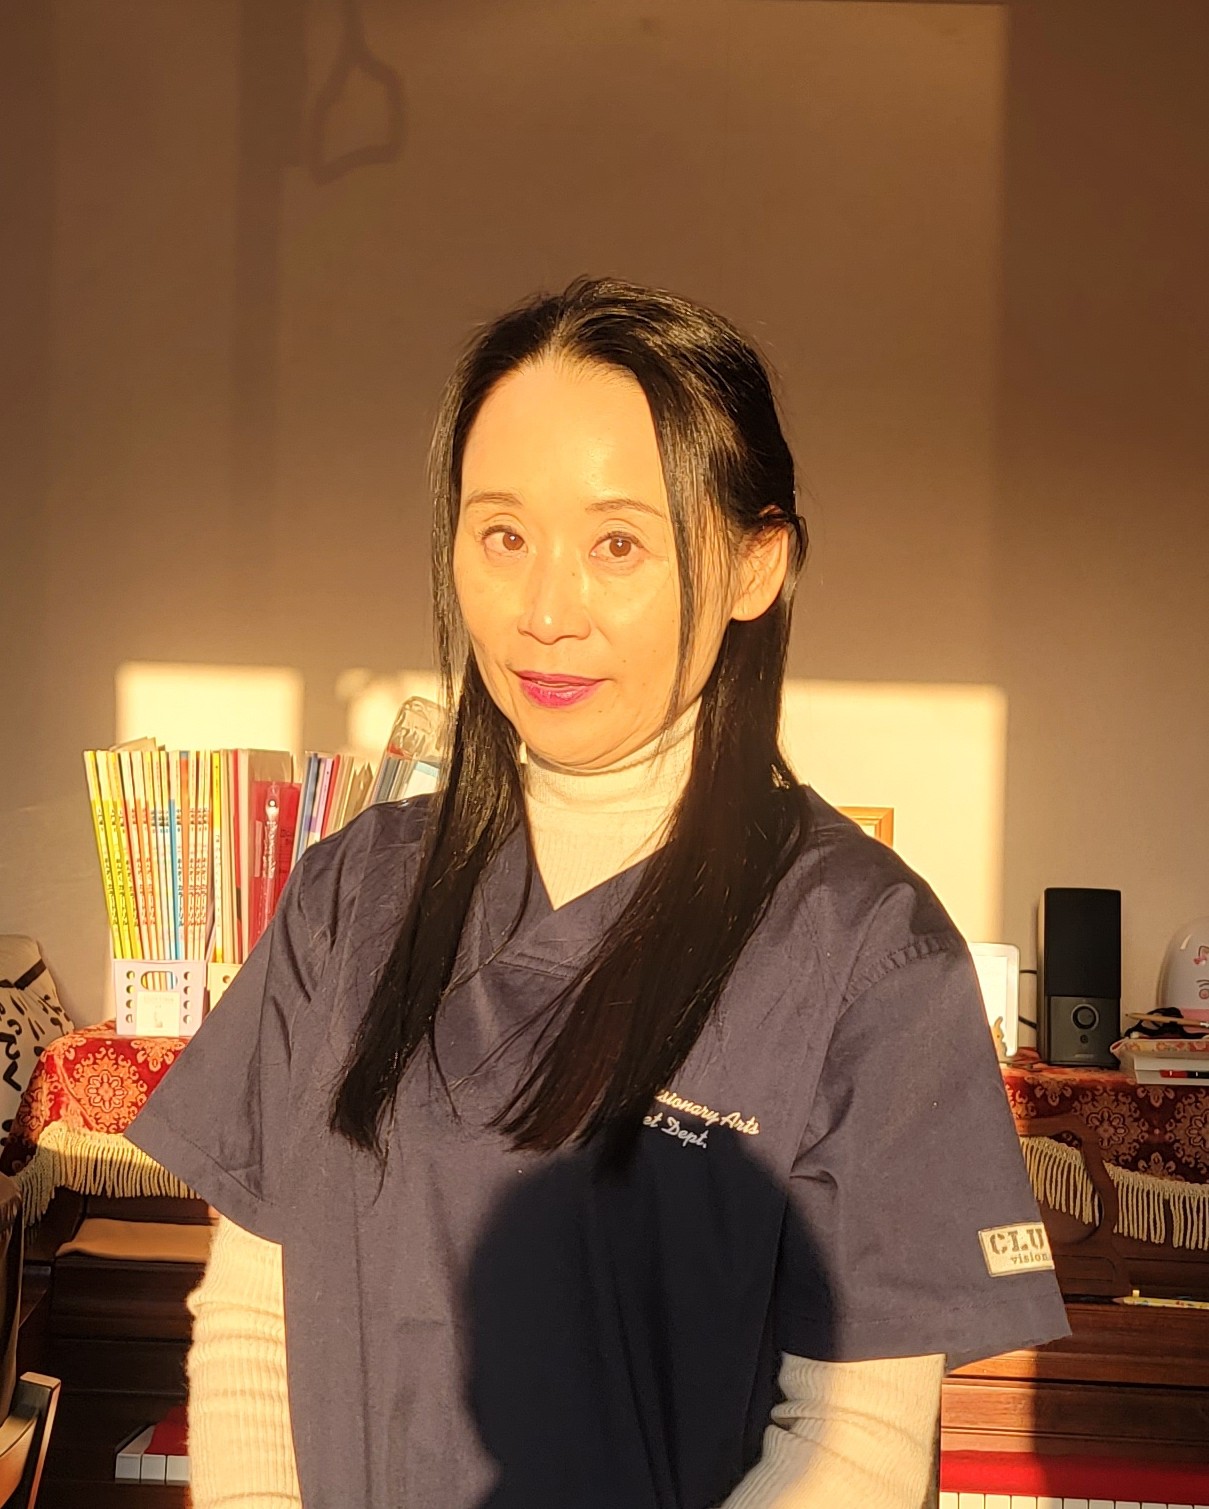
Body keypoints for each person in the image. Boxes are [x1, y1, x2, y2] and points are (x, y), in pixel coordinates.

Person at [126, 277, 1069, 1509]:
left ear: (756, 563)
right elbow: (254, 1323)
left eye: (618, 544)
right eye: (502, 536)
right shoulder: (348, 898)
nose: (544, 612)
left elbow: (855, 1447)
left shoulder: (864, 952)